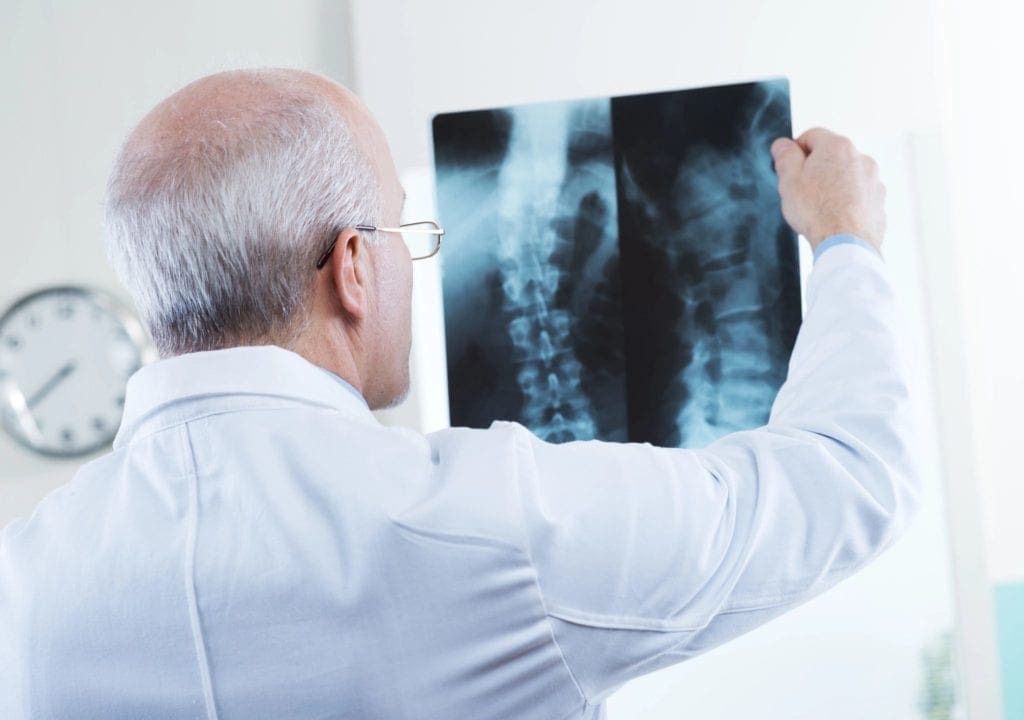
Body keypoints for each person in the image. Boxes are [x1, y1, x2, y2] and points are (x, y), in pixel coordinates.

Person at [0, 68, 920, 719]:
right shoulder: (493, 523)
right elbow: (849, 477)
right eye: (401, 232)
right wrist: (845, 239)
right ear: (354, 267)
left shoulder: (25, 584)